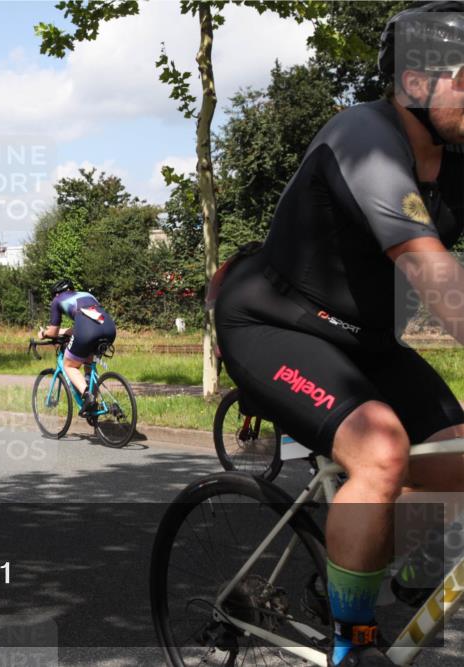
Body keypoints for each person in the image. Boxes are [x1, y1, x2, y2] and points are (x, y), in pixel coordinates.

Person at [214, 3, 464, 665]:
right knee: (381, 448)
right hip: (273, 321)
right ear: (416, 80)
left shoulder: (458, 154)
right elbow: (431, 273)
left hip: (366, 340)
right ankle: (352, 646)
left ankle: (362, 567)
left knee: (459, 457)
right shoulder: (365, 139)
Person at [39, 279, 117, 416]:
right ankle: (94, 405)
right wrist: (64, 331)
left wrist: (44, 334)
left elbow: (52, 333)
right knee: (89, 363)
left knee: (69, 365)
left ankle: (88, 396)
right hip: (109, 329)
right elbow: (90, 319)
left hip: (87, 331)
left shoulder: (57, 300)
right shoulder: (87, 295)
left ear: (57, 294)